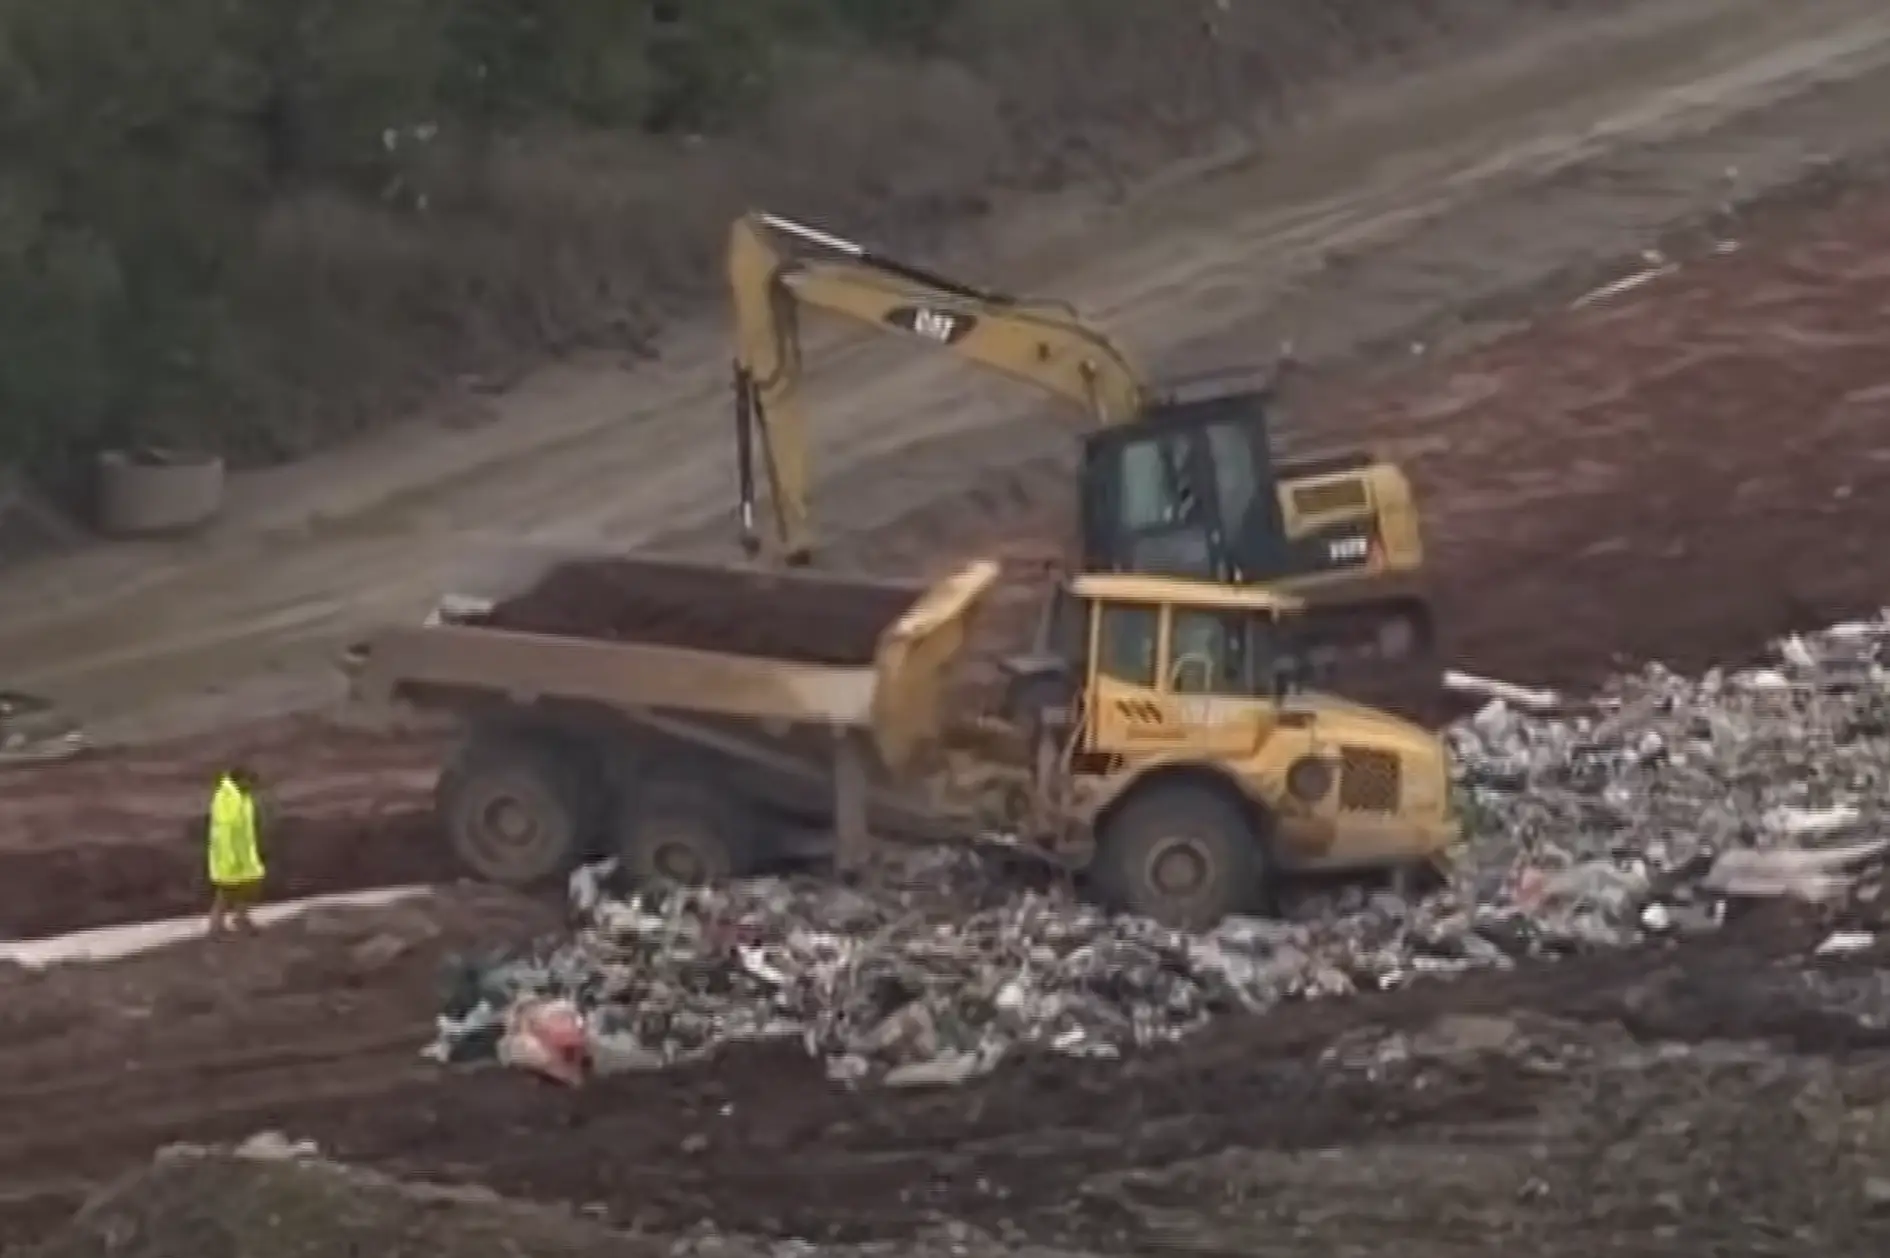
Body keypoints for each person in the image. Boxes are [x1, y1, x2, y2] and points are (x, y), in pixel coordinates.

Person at [207, 764, 265, 936]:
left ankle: (241, 918)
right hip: (229, 854)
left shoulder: (241, 796)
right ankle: (216, 926)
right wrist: (229, 857)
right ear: (240, 780)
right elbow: (225, 829)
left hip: (243, 853)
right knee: (226, 891)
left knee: (246, 888)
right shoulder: (227, 797)